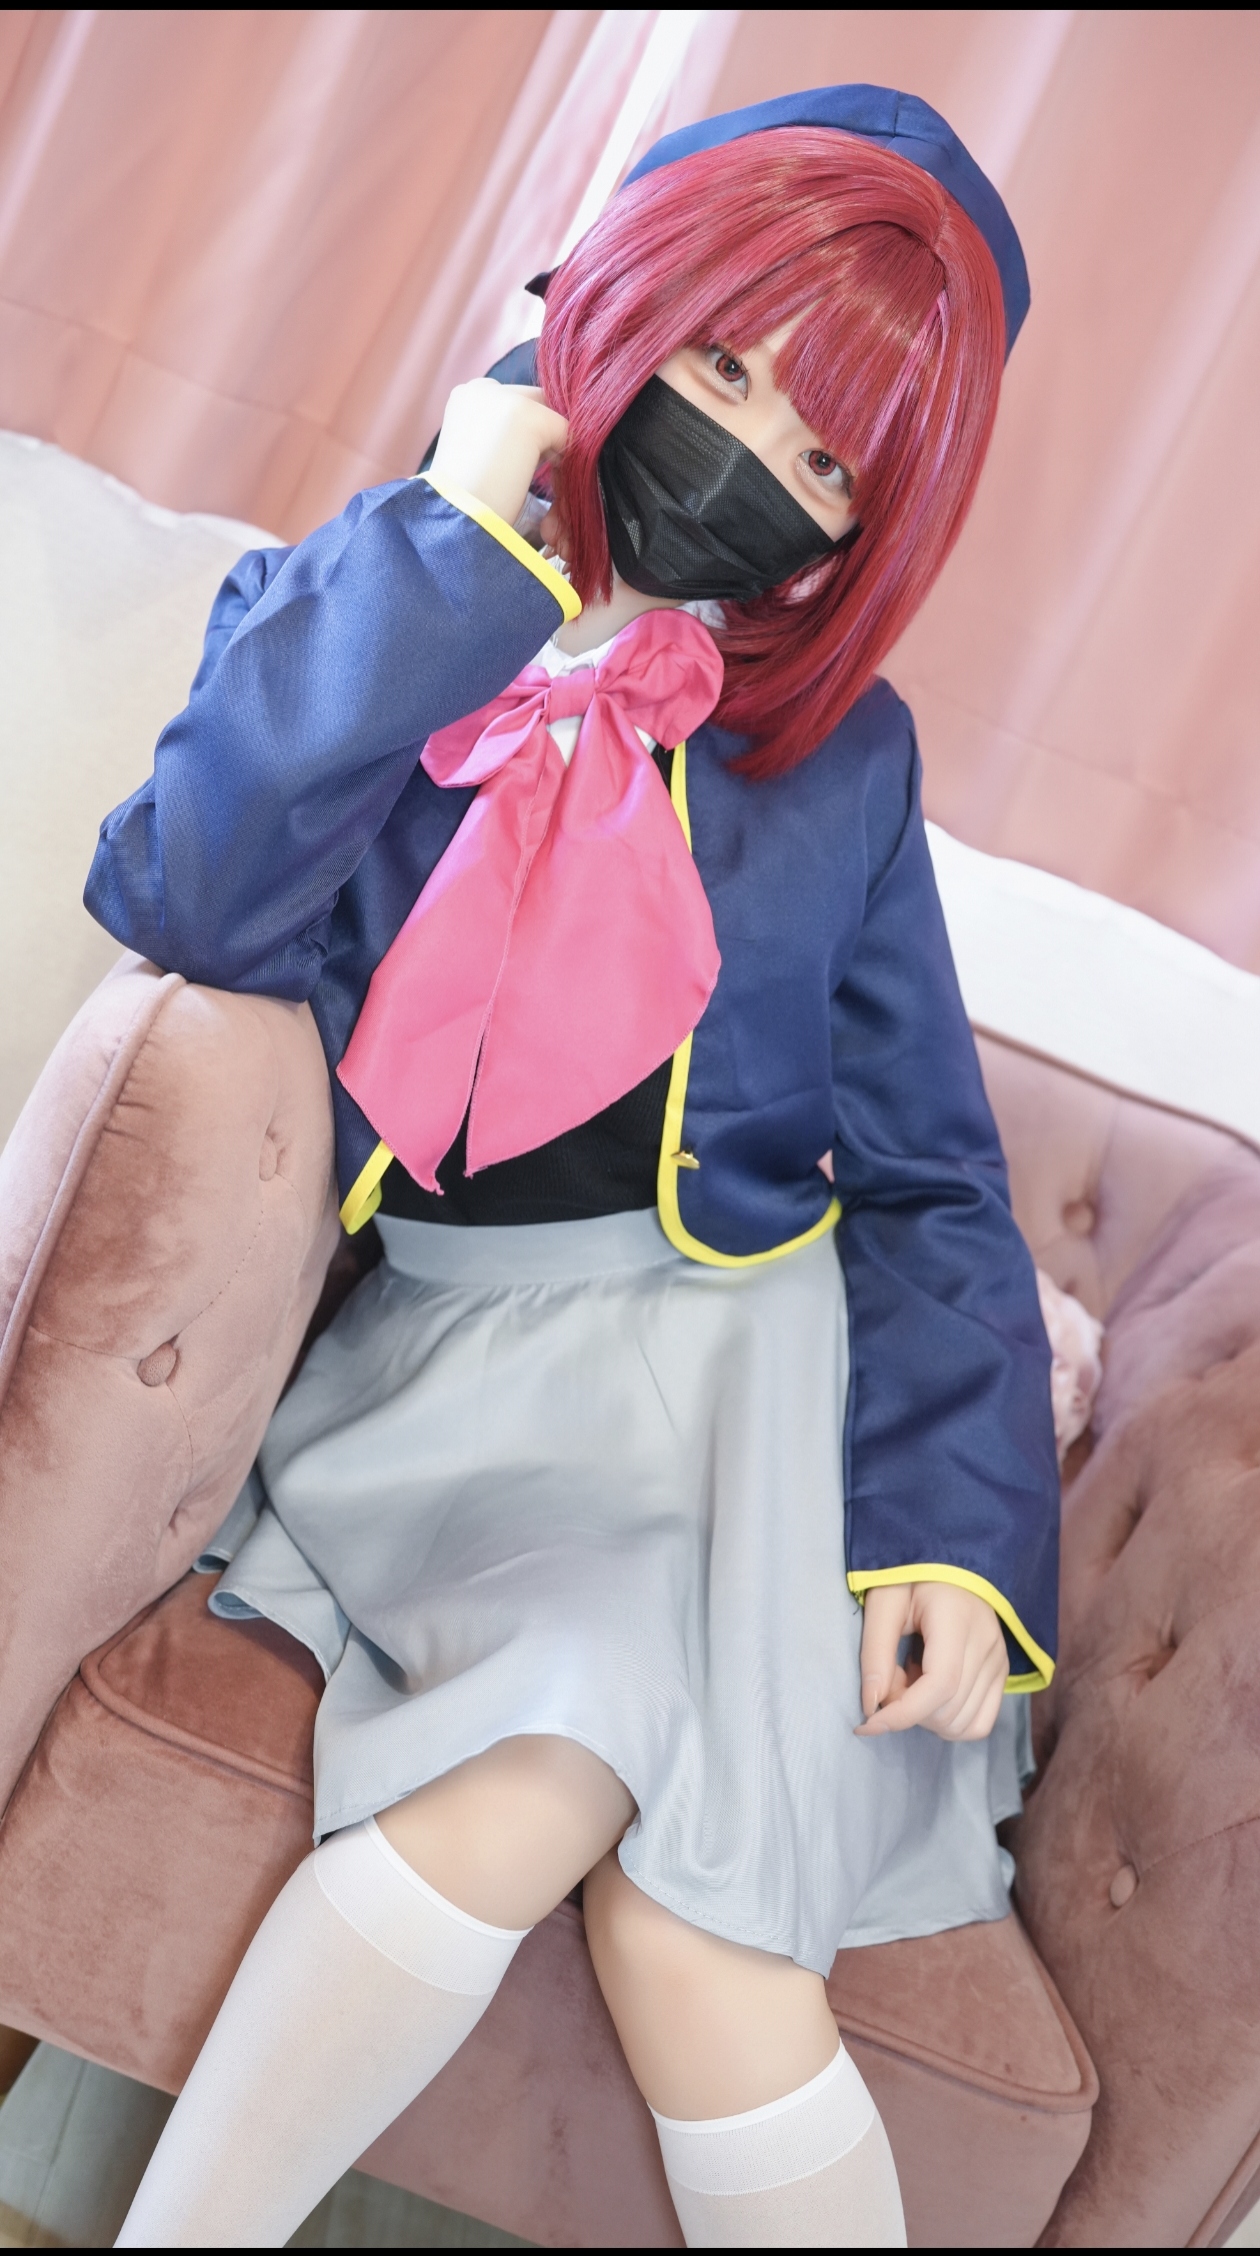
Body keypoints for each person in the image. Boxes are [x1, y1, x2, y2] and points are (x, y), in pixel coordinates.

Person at [92, 84, 1059, 2250]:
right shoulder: (365, 599)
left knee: (695, 1935)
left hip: (753, 1387)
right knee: (582, 1820)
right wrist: (459, 537)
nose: (753, 456)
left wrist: (954, 1528)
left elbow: (930, 1178)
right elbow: (187, 896)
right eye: (724, 367)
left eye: (829, 461)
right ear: (611, 303)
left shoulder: (844, 763)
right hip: (461, 1376)